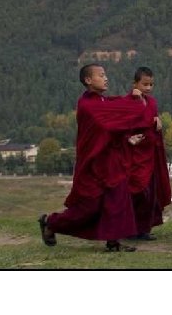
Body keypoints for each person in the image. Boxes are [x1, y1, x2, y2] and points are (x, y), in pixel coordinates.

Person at [38, 64, 152, 252]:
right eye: (101, 75)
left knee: (117, 200)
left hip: (111, 161)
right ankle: (50, 223)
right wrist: (134, 103)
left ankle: (113, 241)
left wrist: (127, 139)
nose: (105, 78)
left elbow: (111, 127)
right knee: (89, 207)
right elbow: (110, 123)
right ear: (88, 80)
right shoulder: (88, 105)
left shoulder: (102, 102)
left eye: (105, 74)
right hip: (94, 164)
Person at [125, 67, 172, 241]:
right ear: (135, 83)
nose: (148, 88)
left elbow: (154, 121)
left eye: (151, 84)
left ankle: (144, 229)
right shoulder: (129, 101)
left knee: (150, 193)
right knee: (137, 191)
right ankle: (129, 228)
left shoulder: (151, 102)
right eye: (145, 84)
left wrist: (157, 120)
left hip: (150, 152)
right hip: (135, 153)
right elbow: (129, 123)